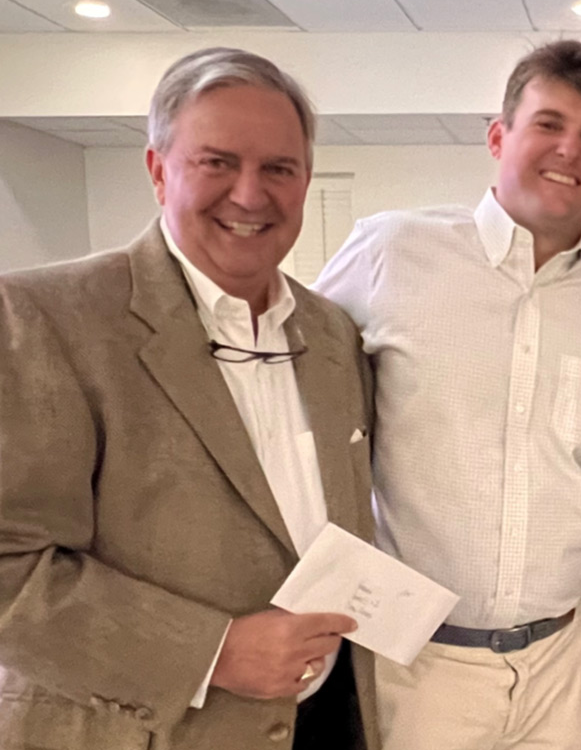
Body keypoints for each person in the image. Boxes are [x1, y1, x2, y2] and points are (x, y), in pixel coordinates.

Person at [0, 47, 379, 750]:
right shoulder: (47, 317)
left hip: (325, 722)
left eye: (278, 168)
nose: (249, 193)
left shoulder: (332, 335)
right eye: (218, 162)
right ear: (157, 169)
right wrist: (213, 651)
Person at [314, 39, 581, 750]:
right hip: (415, 660)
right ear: (499, 137)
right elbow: (294, 390)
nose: (570, 151)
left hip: (562, 659)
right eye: (547, 124)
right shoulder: (393, 252)